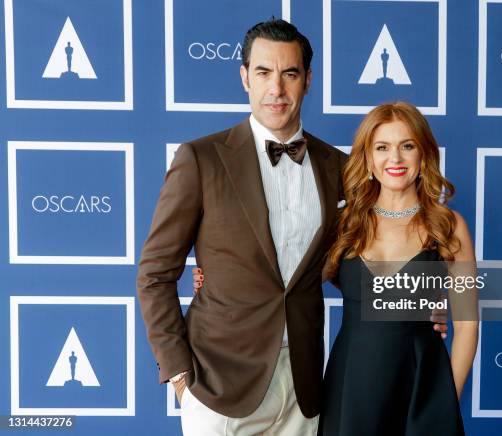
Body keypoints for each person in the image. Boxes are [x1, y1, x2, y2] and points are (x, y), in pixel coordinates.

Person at [138, 19, 446, 436]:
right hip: (218, 383)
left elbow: (362, 258)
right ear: (245, 77)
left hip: (305, 385)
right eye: (264, 72)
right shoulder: (202, 159)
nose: (276, 89)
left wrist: (418, 304)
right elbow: (155, 273)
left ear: (308, 80)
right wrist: (178, 374)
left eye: (290, 74)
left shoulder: (339, 168)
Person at [319, 102, 478, 435]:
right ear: (367, 157)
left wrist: (447, 400)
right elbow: (289, 285)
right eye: (382, 147)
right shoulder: (342, 225)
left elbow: (466, 325)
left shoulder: (448, 226)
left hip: (422, 388)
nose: (395, 158)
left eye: (407, 146)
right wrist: (213, 274)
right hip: (351, 386)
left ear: (423, 155)